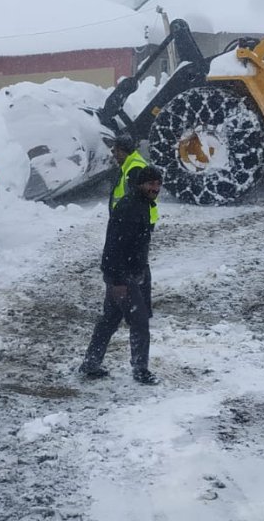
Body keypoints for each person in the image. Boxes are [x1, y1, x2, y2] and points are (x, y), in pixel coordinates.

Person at [79, 166, 163, 385]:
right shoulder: (129, 208)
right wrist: (116, 280)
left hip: (132, 273)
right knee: (139, 321)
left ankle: (91, 363)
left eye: (157, 184)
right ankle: (140, 370)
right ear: (140, 185)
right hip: (123, 276)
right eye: (150, 184)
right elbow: (113, 247)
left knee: (110, 319)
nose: (155, 188)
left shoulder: (142, 204)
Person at [107, 133, 159, 224]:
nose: (114, 155)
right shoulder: (130, 165)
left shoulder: (135, 169)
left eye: (114, 151)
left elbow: (138, 201)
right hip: (130, 221)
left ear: (122, 151)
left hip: (133, 222)